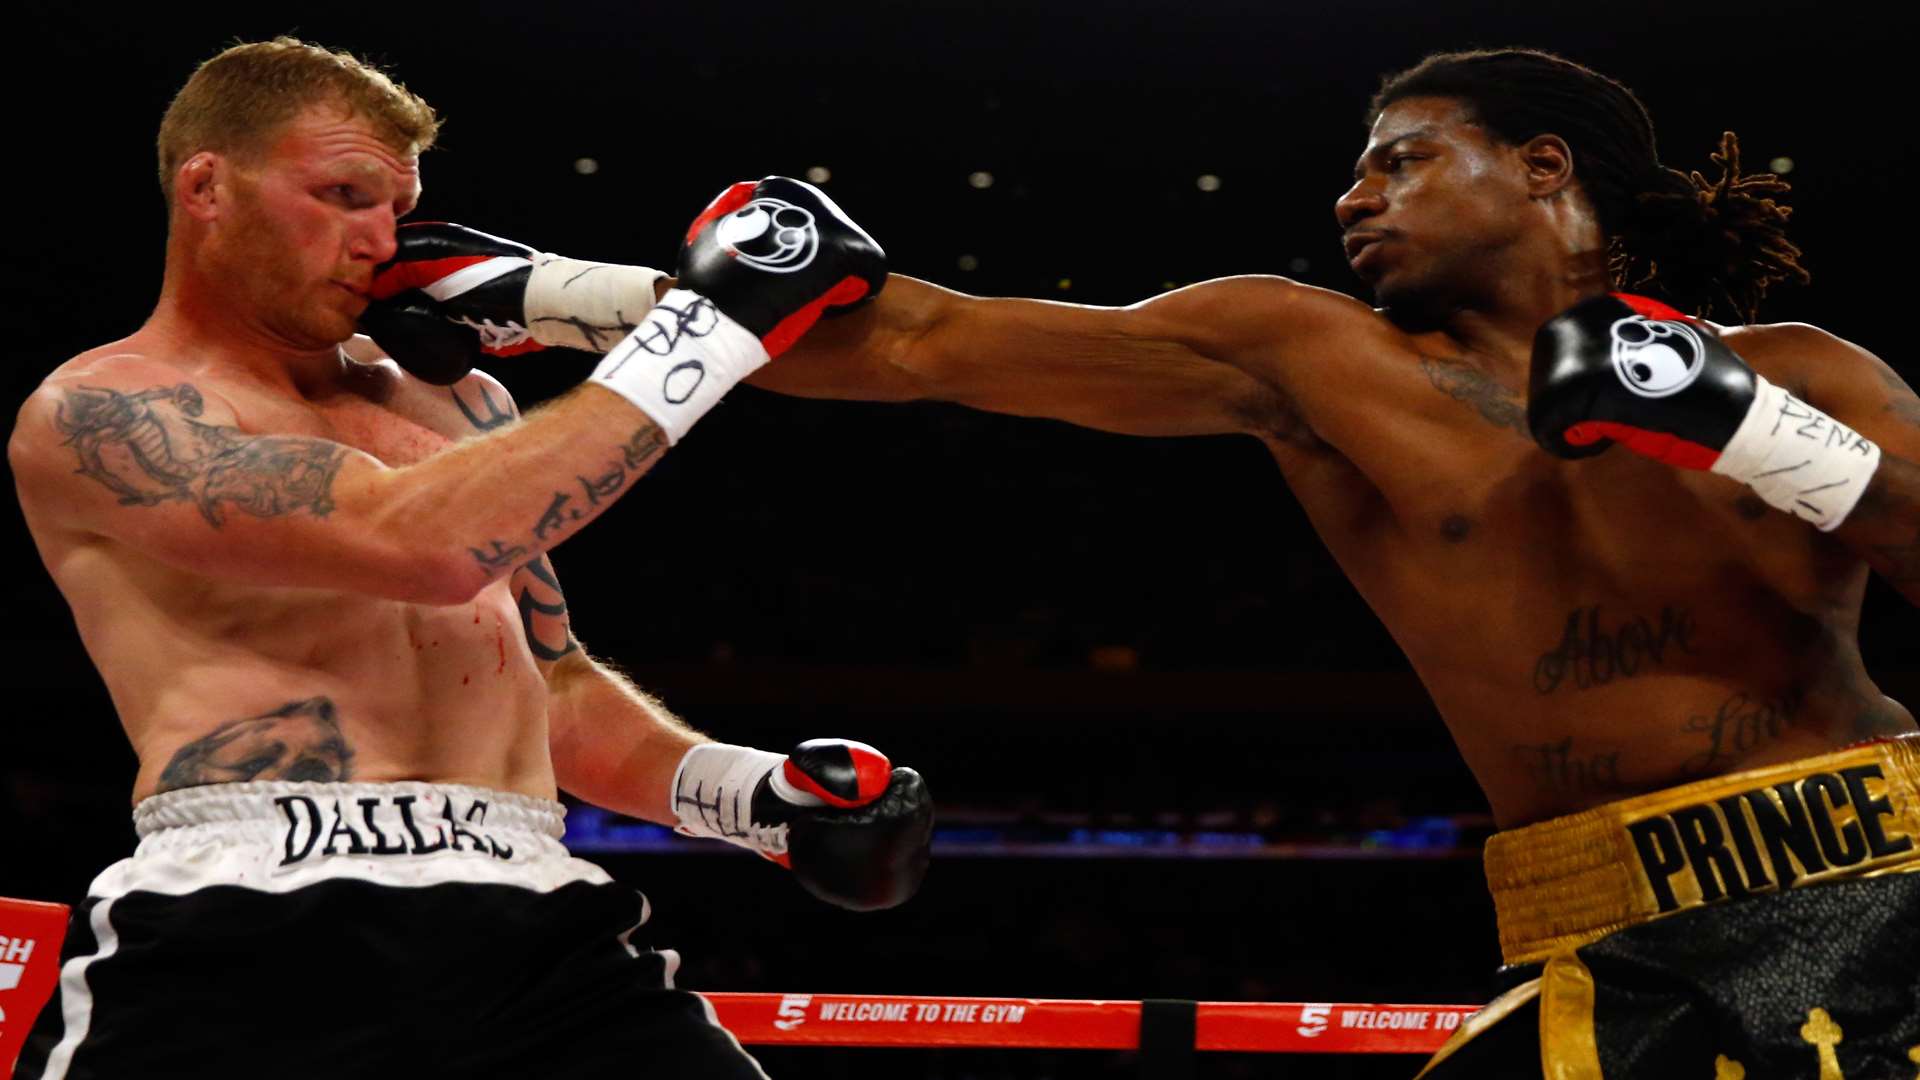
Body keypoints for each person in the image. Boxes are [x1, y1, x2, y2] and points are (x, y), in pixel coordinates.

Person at [388, 48, 1920, 1077]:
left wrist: (1745, 428)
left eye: (1399, 161)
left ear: (1541, 167)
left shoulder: (1798, 371)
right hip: (1600, 928)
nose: (1351, 195)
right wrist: (551, 287)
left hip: (1877, 878)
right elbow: (921, 343)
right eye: (1354, 171)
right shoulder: (1311, 361)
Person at [6, 37, 931, 1080]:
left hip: (537, 916)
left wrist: (750, 796)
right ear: (207, 185)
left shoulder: (463, 403)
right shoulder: (104, 412)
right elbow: (423, 547)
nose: (378, 240)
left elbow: (543, 682)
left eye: (394, 209)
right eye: (343, 194)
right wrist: (704, 327)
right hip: (256, 917)